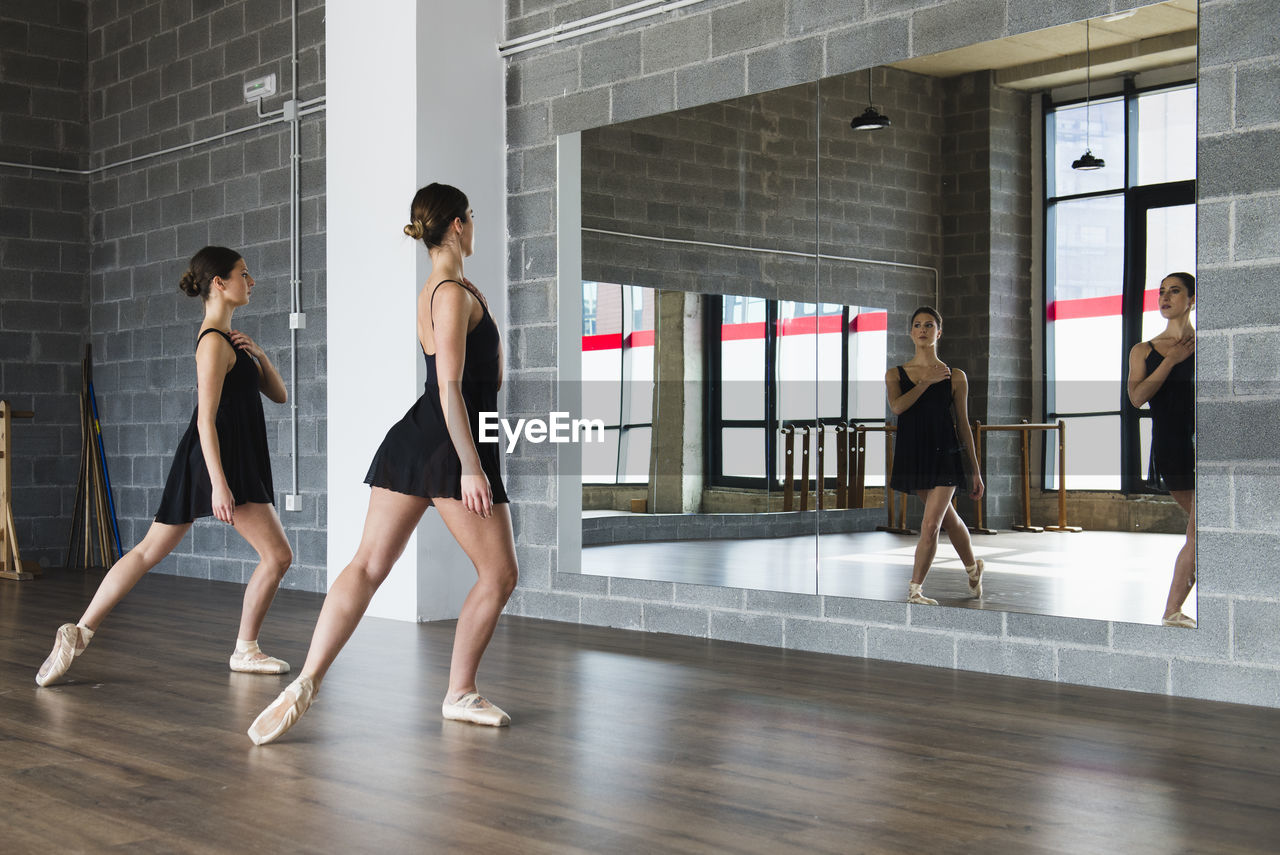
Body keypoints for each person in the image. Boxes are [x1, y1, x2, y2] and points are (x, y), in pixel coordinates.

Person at [247, 183, 518, 745]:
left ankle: (308, 680)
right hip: (446, 442)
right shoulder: (450, 294)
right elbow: (449, 388)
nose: (475, 223)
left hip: (422, 439)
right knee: (499, 573)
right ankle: (460, 691)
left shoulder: (445, 288)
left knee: (367, 566)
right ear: (460, 226)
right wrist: (472, 466)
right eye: (472, 215)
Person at [36, 246, 294, 686]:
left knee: (148, 551)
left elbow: (280, 395)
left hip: (224, 458)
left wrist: (261, 357)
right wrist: (218, 483)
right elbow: (206, 419)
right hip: (217, 460)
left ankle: (79, 632)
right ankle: (245, 650)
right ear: (219, 283)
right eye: (244, 275)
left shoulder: (230, 340)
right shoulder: (212, 342)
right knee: (276, 555)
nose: (251, 283)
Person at [885, 306, 985, 605]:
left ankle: (915, 590)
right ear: (911, 332)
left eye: (929, 325)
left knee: (930, 525)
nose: (923, 330)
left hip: (945, 454)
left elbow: (964, 425)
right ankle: (973, 568)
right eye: (917, 325)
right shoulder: (895, 374)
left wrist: (975, 471)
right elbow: (898, 407)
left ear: (938, 332)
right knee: (948, 519)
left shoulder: (955, 376)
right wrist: (925, 381)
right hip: (914, 454)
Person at [1127, 272, 1196, 628]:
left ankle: (1173, 610)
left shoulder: (1208, 344)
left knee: (1201, 528)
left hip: (1208, 443)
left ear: (1192, 299)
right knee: (1203, 528)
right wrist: (1171, 361)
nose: (1166, 297)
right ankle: (1172, 609)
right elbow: (1137, 398)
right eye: (1161, 292)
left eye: (1175, 291)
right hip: (1173, 446)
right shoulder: (1144, 350)